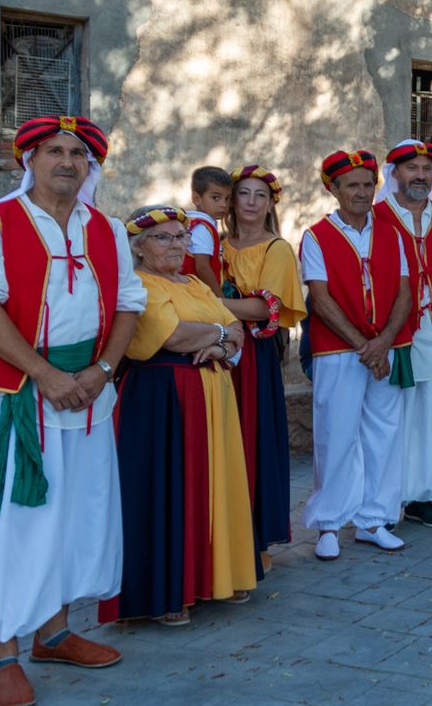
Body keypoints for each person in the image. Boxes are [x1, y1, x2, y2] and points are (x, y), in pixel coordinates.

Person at [0, 115, 146, 706]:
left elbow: (129, 303)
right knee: (17, 522)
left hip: (89, 393)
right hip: (23, 394)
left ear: (90, 166)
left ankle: (54, 633)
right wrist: (45, 374)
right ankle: (2, 654)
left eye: (78, 153)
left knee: (76, 515)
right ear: (29, 160)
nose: (67, 161)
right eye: (54, 151)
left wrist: (102, 370)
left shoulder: (105, 228)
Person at [100, 206, 255, 627]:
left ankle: (216, 577)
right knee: (168, 487)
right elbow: (172, 335)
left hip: (212, 391)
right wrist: (220, 333)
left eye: (180, 237)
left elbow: (238, 331)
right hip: (162, 397)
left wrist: (220, 343)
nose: (175, 245)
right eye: (163, 238)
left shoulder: (195, 284)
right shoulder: (140, 284)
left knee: (213, 482)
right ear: (139, 247)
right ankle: (165, 591)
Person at [300, 150, 414, 559]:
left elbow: (404, 292)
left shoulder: (392, 234)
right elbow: (321, 299)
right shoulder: (316, 236)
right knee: (337, 434)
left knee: (384, 433)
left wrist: (383, 341)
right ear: (334, 189)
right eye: (353, 185)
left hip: (385, 348)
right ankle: (330, 523)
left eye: (368, 184)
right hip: (337, 351)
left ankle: (373, 519)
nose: (362, 192)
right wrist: (365, 346)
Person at [220, 164, 306, 565]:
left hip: (253, 356)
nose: (252, 202)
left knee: (252, 439)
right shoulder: (216, 245)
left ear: (271, 204)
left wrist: (209, 303)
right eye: (244, 193)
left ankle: (255, 539)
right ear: (232, 201)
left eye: (261, 196)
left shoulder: (277, 249)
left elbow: (262, 308)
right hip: (215, 349)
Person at [373, 140, 432, 529]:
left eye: (427, 169)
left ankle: (422, 497)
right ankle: (386, 498)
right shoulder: (377, 217)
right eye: (412, 168)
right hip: (393, 332)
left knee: (431, 416)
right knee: (392, 416)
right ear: (395, 174)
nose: (420, 176)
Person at [182, 165, 232, 291]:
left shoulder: (191, 221)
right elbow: (202, 268)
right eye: (216, 198)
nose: (224, 204)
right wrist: (219, 298)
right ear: (197, 199)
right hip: (199, 293)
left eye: (227, 198)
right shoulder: (202, 228)